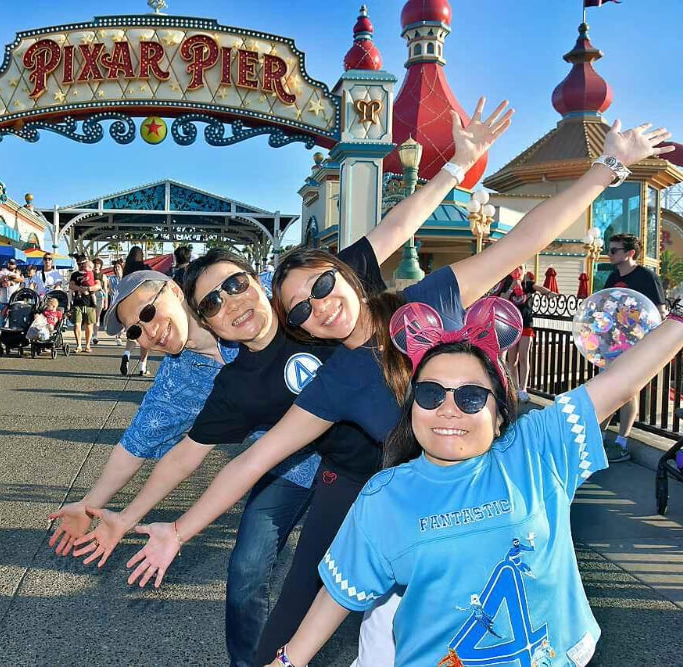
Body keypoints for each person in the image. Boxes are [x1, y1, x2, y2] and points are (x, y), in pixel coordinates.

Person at [115, 117, 670, 665]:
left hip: (485, 485)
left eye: (324, 284)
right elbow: (255, 458)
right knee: (298, 623)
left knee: (500, 608)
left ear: (349, 274)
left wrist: (606, 168)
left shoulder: (426, 301)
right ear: (300, 328)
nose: (320, 305)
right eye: (303, 310)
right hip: (388, 491)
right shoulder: (339, 378)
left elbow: (526, 238)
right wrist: (178, 531)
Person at [61, 97, 528, 667]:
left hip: (412, 454)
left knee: (428, 598)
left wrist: (457, 165)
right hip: (324, 468)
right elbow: (174, 454)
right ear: (204, 316)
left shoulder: (315, 296)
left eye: (236, 286)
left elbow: (396, 225)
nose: (231, 304)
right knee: (265, 579)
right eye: (213, 302)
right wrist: (124, 516)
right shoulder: (222, 382)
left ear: (257, 284)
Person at [265, 296, 683, 667]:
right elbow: (343, 590)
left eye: (469, 397)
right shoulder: (385, 495)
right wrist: (288, 661)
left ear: (499, 413)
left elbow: (621, 380)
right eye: (431, 394)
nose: (448, 409)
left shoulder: (535, 449)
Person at [600, 232, 668, 462]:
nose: (609, 254)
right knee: (607, 389)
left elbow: (660, 312)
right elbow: (604, 308)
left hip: (636, 345)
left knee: (628, 391)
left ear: (629, 253)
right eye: (609, 249)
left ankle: (621, 443)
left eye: (614, 250)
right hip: (612, 344)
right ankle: (599, 437)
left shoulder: (647, 278)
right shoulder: (612, 278)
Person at [495, 266, 556, 402]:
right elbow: (502, 299)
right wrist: (512, 287)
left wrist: (550, 293)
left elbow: (539, 288)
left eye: (520, 268)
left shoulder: (527, 285)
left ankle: (523, 388)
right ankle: (514, 388)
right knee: (512, 360)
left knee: (524, 356)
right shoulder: (506, 285)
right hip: (511, 325)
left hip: (526, 325)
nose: (518, 271)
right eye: (515, 268)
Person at [122, 246, 152, 376]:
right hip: (145, 305)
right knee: (145, 336)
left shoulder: (127, 270)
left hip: (130, 305)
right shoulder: (146, 269)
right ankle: (142, 367)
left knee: (132, 334)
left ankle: (127, 354)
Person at [69, 254, 99, 353]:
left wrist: (89, 289)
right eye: (79, 263)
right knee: (77, 324)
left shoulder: (93, 273)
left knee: (88, 324)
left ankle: (87, 345)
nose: (81, 265)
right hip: (77, 302)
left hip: (89, 302)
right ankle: (78, 345)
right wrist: (80, 288)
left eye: (83, 263)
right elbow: (71, 285)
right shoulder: (75, 274)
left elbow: (98, 285)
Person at [92, 257, 110, 347]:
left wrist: (106, 301)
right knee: (90, 316)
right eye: (95, 264)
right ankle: (91, 334)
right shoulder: (89, 274)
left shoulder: (103, 276)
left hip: (100, 296)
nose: (96, 266)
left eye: (98, 264)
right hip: (90, 295)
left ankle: (95, 335)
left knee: (97, 317)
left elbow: (106, 289)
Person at [108, 259, 124, 345]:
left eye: (118, 267)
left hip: (124, 300)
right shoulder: (112, 279)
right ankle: (118, 337)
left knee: (124, 320)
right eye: (115, 267)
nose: (117, 269)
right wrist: (111, 291)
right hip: (115, 301)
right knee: (117, 319)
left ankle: (120, 335)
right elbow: (110, 290)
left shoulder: (125, 278)